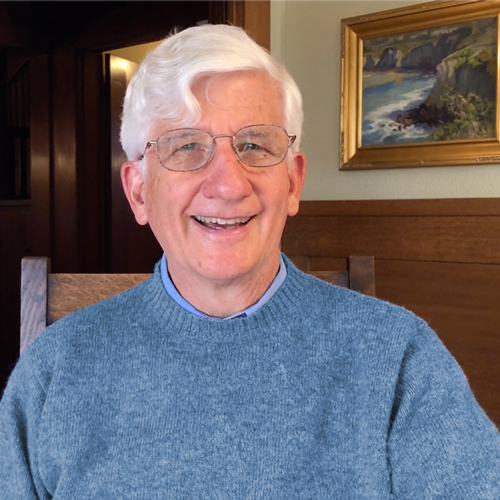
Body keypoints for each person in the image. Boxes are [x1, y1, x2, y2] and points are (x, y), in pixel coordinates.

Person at [1, 24, 499, 499]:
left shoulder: (399, 358)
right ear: (138, 193)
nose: (228, 184)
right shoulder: (54, 370)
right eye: (186, 146)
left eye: (255, 146)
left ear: (293, 183)